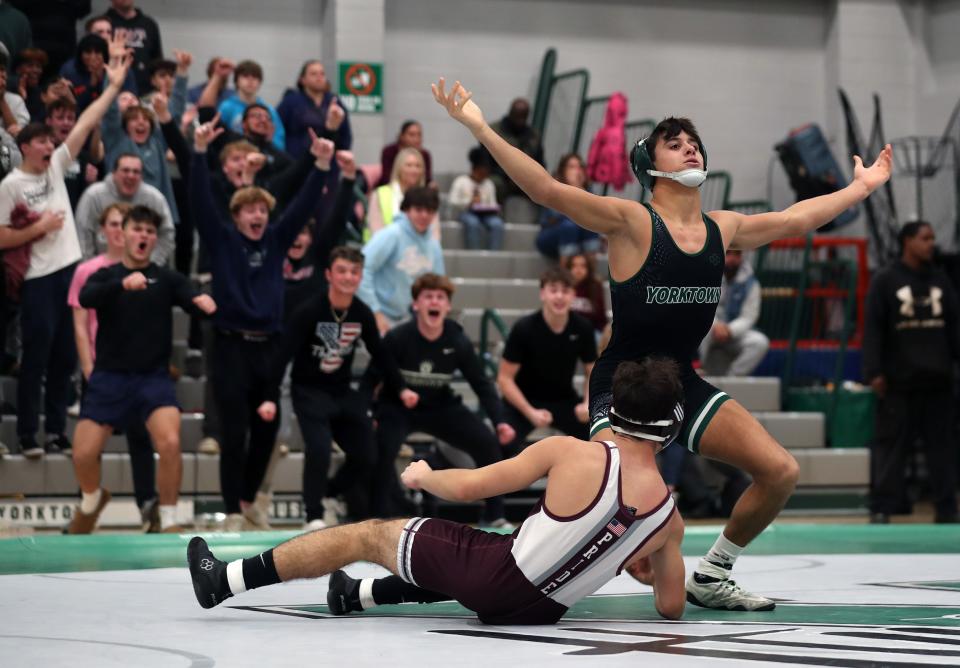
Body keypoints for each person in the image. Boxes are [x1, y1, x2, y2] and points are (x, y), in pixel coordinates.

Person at [431, 77, 893, 611]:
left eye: (693, 141)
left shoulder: (725, 227)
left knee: (781, 471)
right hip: (622, 384)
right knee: (620, 506)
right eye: (674, 143)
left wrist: (862, 187)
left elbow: (797, 218)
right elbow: (547, 191)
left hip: (680, 380)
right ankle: (517, 564)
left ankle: (713, 574)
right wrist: (478, 125)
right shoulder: (631, 221)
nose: (689, 146)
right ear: (650, 166)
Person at [188, 357, 687, 625]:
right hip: (541, 613)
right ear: (671, 428)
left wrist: (424, 476)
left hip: (495, 580)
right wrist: (626, 557)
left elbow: (470, 485)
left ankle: (227, 580)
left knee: (369, 535)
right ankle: (357, 595)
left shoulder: (571, 453)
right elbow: (671, 606)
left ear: (613, 411)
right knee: (477, 545)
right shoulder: (668, 520)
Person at [188, 116, 335, 531]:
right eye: (249, 209)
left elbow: (304, 205)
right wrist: (199, 154)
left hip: (268, 348)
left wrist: (321, 166)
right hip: (231, 346)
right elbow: (199, 200)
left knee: (267, 435)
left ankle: (249, 501)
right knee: (234, 435)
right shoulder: (222, 239)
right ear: (236, 214)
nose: (256, 214)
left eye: (261, 209)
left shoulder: (275, 239)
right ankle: (233, 511)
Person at [0, 50, 131, 459]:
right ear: (24, 146)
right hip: (38, 278)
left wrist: (112, 87)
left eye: (49, 139)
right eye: (41, 139)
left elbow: (88, 120)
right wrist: (38, 228)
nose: (50, 143)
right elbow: (1, 234)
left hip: (71, 275)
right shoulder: (11, 185)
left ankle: (56, 431)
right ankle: (26, 435)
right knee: (35, 358)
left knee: (64, 358)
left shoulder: (57, 165)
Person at [68, 205, 216, 534]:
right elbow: (86, 296)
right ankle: (92, 500)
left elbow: (189, 297)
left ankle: (169, 517)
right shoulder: (105, 275)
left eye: (150, 232)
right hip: (109, 378)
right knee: (82, 453)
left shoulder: (166, 278)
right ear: (124, 234)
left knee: (170, 442)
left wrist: (202, 303)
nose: (144, 236)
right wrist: (122, 285)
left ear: (154, 239)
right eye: (138, 229)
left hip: (153, 379)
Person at [260, 246, 411, 530]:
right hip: (308, 391)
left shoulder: (361, 313)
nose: (348, 277)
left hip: (341, 392)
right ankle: (313, 514)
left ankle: (328, 492)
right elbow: (282, 356)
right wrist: (269, 398)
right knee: (319, 448)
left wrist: (401, 388)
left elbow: (380, 354)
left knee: (368, 453)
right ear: (329, 274)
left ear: (360, 276)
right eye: (342, 270)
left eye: (354, 272)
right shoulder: (308, 311)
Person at [363, 273, 516, 525]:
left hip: (440, 406)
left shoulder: (457, 340)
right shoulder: (398, 337)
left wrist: (499, 420)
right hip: (398, 406)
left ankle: (495, 514)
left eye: (440, 298)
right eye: (428, 297)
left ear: (447, 306)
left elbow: (481, 383)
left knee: (486, 442)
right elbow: (371, 379)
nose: (434, 302)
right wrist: (370, 414)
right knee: (383, 447)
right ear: (416, 305)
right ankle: (376, 517)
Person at [67, 202, 163, 532]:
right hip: (103, 365)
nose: (120, 229)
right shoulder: (89, 271)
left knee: (141, 437)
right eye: (114, 223)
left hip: (138, 367)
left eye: (126, 222)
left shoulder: (148, 269)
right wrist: (89, 366)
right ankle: (90, 500)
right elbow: (80, 322)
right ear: (109, 230)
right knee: (87, 446)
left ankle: (148, 507)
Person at [863, 221, 959, 524]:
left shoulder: (942, 281)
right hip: (899, 382)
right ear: (907, 241)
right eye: (924, 238)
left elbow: (955, 328)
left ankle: (946, 509)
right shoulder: (885, 280)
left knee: (942, 450)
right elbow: (873, 329)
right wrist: (874, 371)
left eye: (932, 238)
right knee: (892, 448)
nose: (931, 244)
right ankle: (883, 507)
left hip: (938, 381)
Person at [497, 267, 596, 453]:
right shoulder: (524, 328)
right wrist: (530, 412)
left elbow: (593, 370)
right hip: (524, 402)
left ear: (573, 295)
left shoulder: (583, 328)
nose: (559, 296)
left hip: (564, 400)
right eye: (553, 290)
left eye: (565, 291)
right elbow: (504, 379)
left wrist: (587, 403)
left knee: (598, 438)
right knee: (504, 441)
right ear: (543, 294)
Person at [357, 186, 445, 334]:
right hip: (381, 314)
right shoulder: (391, 234)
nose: (424, 215)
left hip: (412, 318)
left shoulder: (433, 244)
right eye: (418, 210)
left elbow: (439, 283)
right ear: (406, 210)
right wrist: (374, 312)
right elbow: (362, 268)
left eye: (429, 211)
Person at [75, 152, 174, 263]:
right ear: (114, 173)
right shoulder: (93, 196)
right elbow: (82, 235)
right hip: (101, 270)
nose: (131, 176)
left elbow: (167, 235)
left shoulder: (155, 199)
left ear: (142, 176)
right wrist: (92, 269)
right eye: (125, 170)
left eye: (136, 172)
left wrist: (150, 266)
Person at [698, 249, 770, 376]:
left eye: (737, 254)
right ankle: (695, 372)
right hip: (710, 328)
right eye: (728, 253)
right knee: (699, 329)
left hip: (733, 334)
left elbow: (749, 316)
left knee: (760, 342)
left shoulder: (751, 283)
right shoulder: (707, 274)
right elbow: (700, 306)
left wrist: (730, 330)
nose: (732, 259)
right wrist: (715, 325)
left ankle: (732, 378)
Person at [536, 153, 602, 263]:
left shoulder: (587, 190)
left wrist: (580, 190)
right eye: (572, 167)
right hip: (552, 235)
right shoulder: (555, 188)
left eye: (580, 167)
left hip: (577, 235)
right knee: (569, 226)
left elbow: (596, 214)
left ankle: (590, 273)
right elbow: (556, 216)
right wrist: (574, 190)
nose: (577, 170)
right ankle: (566, 275)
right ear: (563, 170)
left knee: (591, 226)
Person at [277, 60, 351, 158]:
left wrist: (341, 156)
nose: (319, 77)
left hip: (328, 161)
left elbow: (345, 134)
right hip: (296, 161)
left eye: (322, 74)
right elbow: (277, 129)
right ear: (302, 79)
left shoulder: (334, 102)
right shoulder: (290, 102)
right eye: (313, 74)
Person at [217, 60, 285, 152]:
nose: (250, 80)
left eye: (255, 77)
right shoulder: (226, 107)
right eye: (245, 76)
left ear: (260, 82)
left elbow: (279, 139)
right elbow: (219, 135)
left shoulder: (269, 110)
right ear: (236, 81)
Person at [365, 146, 432, 239]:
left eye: (418, 166)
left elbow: (434, 234)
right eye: (409, 165)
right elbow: (376, 231)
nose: (414, 170)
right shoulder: (380, 194)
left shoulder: (429, 197)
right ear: (399, 168)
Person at [488, 97, 543, 203]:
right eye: (517, 116)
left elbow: (539, 161)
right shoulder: (495, 131)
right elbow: (487, 161)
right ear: (511, 113)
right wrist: (509, 176)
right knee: (494, 183)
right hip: (501, 176)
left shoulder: (533, 136)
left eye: (523, 117)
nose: (520, 121)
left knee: (543, 186)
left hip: (526, 177)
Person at [448, 145, 503, 250]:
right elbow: (452, 201)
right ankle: (475, 253)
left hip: (486, 215)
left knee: (497, 224)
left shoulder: (489, 184)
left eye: (485, 173)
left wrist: (488, 207)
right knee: (472, 223)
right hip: (466, 212)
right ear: (474, 169)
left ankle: (494, 254)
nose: (482, 176)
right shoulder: (461, 181)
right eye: (480, 172)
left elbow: (493, 203)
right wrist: (469, 202)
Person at [106, 0, 164, 93]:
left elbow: (158, 60)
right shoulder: (104, 24)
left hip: (146, 91)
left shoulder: (149, 24)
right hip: (113, 90)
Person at [377, 120, 433, 187]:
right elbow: (386, 177)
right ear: (402, 136)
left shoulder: (425, 154)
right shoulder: (389, 151)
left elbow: (427, 178)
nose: (416, 139)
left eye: (419, 135)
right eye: (412, 135)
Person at [566, 252, 608, 335]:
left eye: (583, 266)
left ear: (589, 269)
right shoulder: (564, 285)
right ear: (568, 268)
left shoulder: (596, 286)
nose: (578, 270)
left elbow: (601, 318)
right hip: (568, 331)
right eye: (574, 265)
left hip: (591, 331)